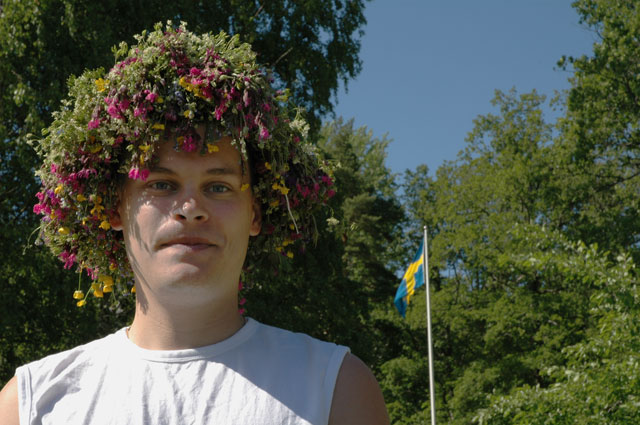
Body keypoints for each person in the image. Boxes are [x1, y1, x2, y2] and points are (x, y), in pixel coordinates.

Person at [0, 22, 389, 424]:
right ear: (115, 209)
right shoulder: (31, 404)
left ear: (256, 212)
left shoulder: (335, 389)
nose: (190, 208)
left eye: (219, 186)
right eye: (162, 184)